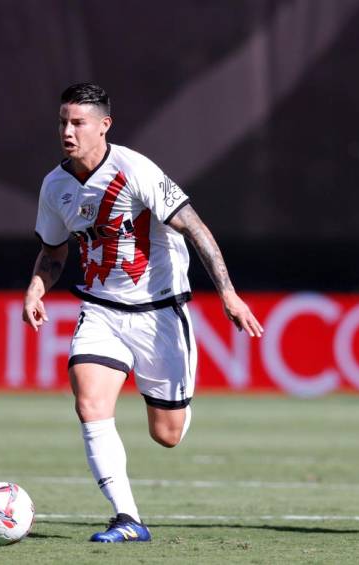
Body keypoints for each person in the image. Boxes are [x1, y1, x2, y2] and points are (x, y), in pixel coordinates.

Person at [22, 82, 263, 543]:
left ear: (103, 126)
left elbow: (194, 227)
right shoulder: (55, 186)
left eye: (78, 122)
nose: (67, 132)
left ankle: (177, 402)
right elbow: (53, 252)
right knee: (90, 403)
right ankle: (127, 517)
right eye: (62, 122)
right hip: (101, 310)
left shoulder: (135, 170)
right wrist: (36, 288)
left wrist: (229, 294)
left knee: (167, 434)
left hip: (160, 312)